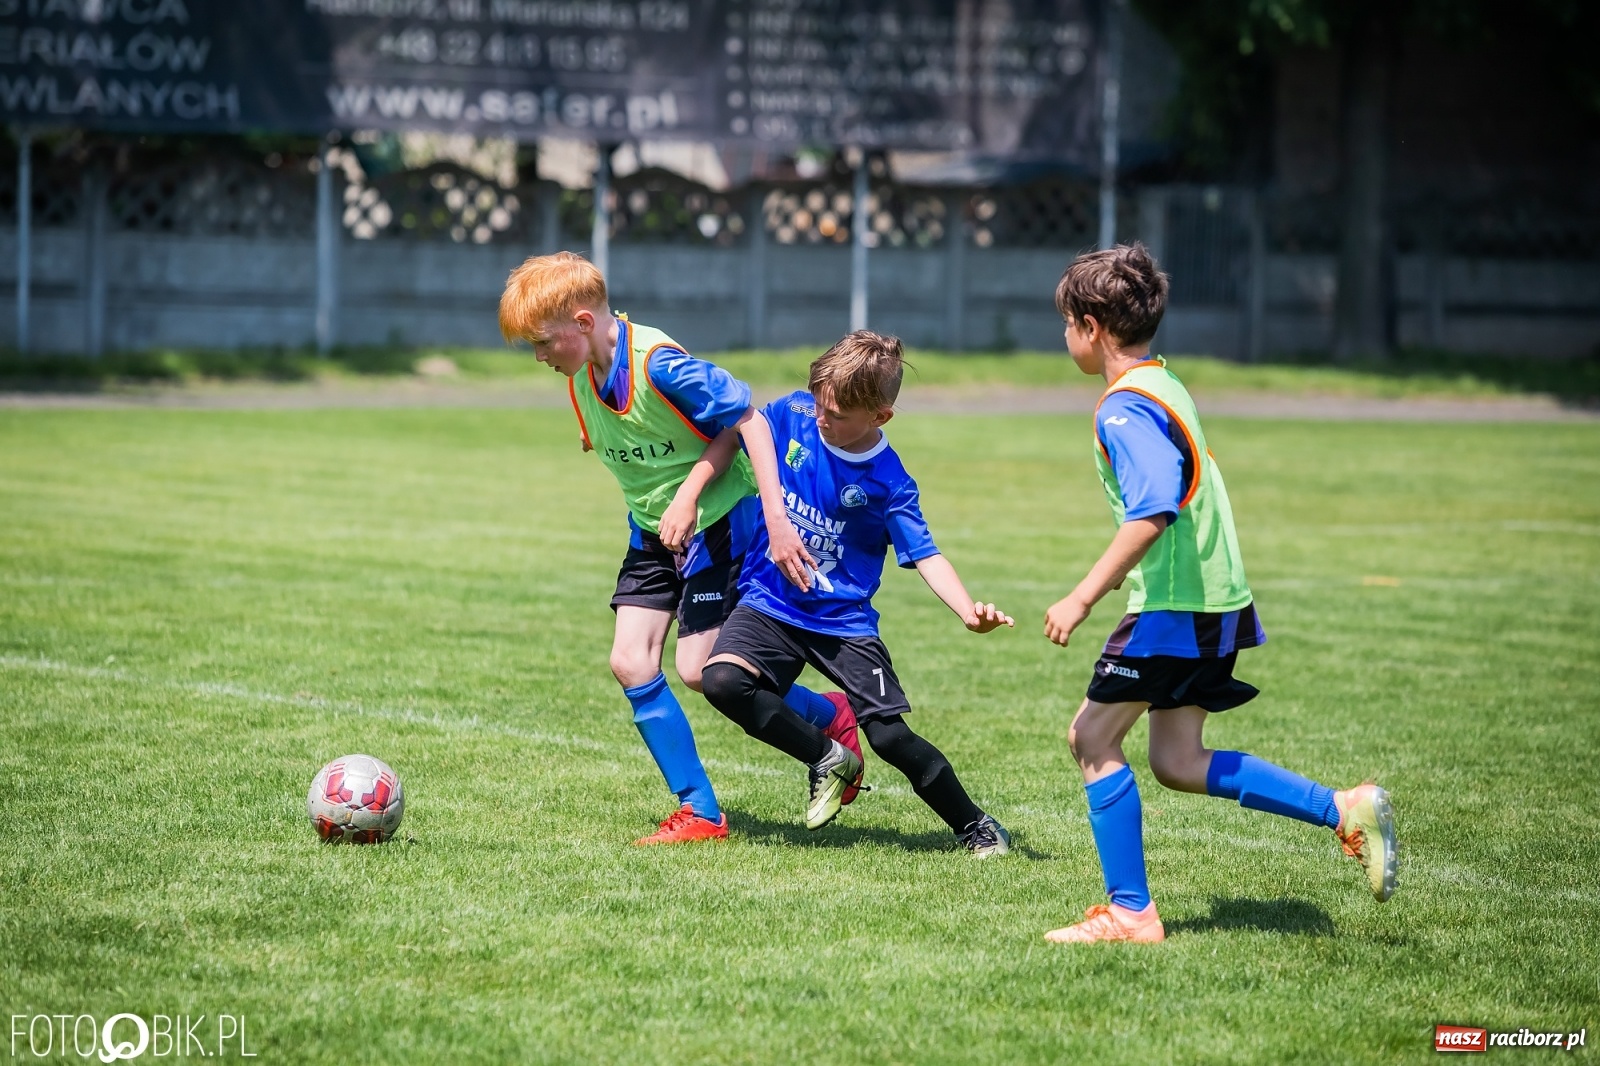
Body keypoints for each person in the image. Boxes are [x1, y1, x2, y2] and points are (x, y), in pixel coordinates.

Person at [1040, 243, 1398, 944]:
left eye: (1067, 323)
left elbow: (1152, 510)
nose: (1064, 336)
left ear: (1091, 326)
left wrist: (1082, 596)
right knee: (1177, 761)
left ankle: (1131, 914)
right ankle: (1343, 808)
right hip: (1215, 599)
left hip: (1175, 605)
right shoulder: (1163, 383)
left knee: (1091, 738)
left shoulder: (1123, 408)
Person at [498, 252, 862, 845]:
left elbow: (748, 422)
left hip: (717, 525)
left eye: (542, 341)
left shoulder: (661, 366)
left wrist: (760, 514)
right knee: (630, 661)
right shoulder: (583, 379)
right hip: (652, 534)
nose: (538, 356)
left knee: (699, 671)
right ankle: (701, 812)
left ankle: (830, 717)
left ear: (583, 323)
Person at [698, 330, 1016, 856]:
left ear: (880, 416)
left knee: (889, 737)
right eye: (819, 403)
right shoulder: (795, 414)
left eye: (838, 414)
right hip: (771, 601)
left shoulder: (890, 483)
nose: (822, 418)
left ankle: (974, 825)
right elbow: (739, 429)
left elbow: (926, 554)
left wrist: (967, 611)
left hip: (842, 621)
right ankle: (828, 756)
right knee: (722, 682)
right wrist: (691, 490)